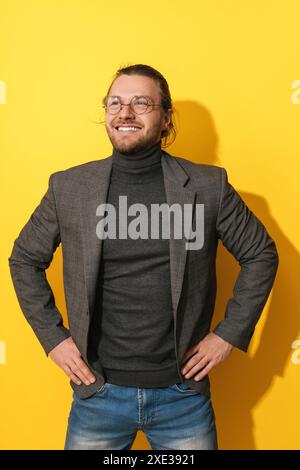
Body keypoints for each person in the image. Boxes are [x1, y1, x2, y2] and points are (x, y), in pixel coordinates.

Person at [8, 64, 279, 450]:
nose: (125, 113)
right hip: (97, 393)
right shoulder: (68, 187)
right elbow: (24, 259)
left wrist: (227, 336)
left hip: (182, 397)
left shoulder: (207, 185)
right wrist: (54, 339)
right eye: (115, 103)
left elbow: (260, 254)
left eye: (141, 103)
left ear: (166, 119)